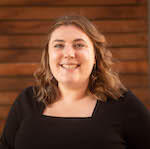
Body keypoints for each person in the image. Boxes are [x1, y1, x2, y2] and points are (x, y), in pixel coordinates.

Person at [0, 15, 150, 149]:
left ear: (95, 57)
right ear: (48, 57)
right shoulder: (27, 101)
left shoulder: (123, 104)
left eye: (79, 45)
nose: (69, 54)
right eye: (59, 45)